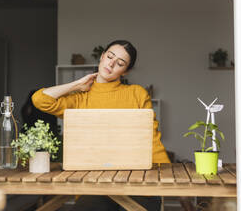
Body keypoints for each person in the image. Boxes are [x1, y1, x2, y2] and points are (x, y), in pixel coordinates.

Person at [31, 40, 170, 210]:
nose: (111, 64)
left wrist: (171, 180)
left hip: (137, 181)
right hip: (92, 185)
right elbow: (39, 100)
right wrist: (77, 84)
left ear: (125, 71)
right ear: (102, 56)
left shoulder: (137, 94)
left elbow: (153, 140)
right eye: (110, 57)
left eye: (120, 63)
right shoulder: (80, 97)